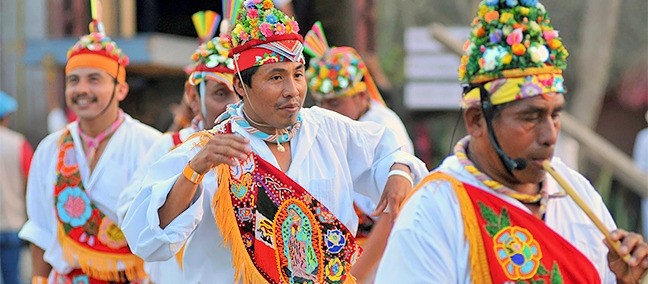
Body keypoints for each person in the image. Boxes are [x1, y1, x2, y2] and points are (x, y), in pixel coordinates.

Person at [120, 1, 428, 283]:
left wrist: (398, 172)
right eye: (276, 77)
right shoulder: (211, 149)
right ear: (240, 85)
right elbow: (149, 240)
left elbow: (389, 150)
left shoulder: (327, 129)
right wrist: (195, 169)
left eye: (297, 74)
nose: (292, 90)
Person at [377, 0, 648, 283]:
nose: (550, 135)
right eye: (531, 117)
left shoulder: (578, 195)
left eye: (555, 114)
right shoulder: (432, 214)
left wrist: (624, 280)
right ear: (476, 120)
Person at [18, 15, 161, 283]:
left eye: (94, 79)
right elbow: (39, 232)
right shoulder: (50, 148)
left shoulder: (150, 144)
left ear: (121, 89)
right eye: (73, 80)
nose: (81, 89)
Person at [116, 10, 240, 283]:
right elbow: (130, 211)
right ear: (194, 97)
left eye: (240, 92)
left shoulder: (262, 147)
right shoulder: (170, 145)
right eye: (220, 93)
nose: (233, 106)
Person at [302, 21, 416, 281]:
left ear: (362, 96)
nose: (326, 111)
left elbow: (391, 216)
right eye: (321, 103)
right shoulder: (326, 127)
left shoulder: (384, 128)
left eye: (336, 103)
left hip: (377, 260)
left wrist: (355, 276)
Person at [0, 91, 34, 284]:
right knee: (13, 277)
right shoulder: (18, 143)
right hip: (13, 221)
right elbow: (30, 181)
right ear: (6, 116)